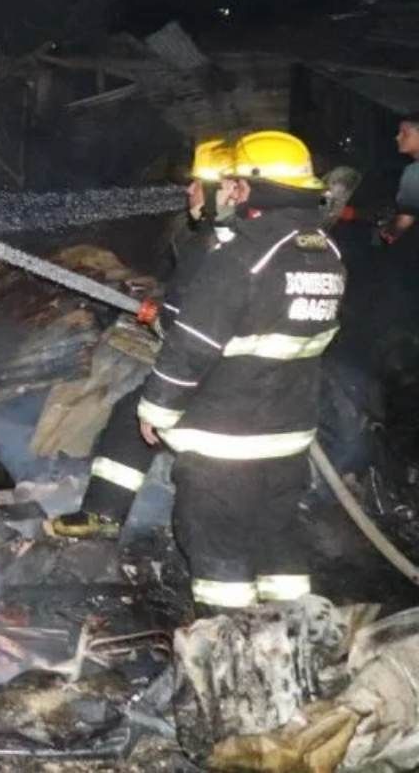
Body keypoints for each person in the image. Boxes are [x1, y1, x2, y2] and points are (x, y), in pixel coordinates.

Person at [137, 130, 344, 610]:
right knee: (277, 539)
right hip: (288, 433)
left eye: (233, 182)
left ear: (251, 187)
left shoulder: (242, 259)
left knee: (217, 547)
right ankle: (294, 644)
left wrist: (156, 407)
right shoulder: (325, 253)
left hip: (225, 436)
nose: (225, 190)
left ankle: (229, 652)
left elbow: (193, 345)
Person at [48, 137, 236, 540]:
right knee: (132, 414)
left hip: (222, 384)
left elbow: (189, 329)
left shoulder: (214, 247)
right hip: (263, 387)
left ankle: (104, 516)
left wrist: (159, 319)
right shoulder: (262, 242)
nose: (189, 191)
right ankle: (104, 513)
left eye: (199, 184)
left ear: (228, 189)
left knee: (139, 415)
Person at [384, 113, 419, 243]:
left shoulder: (414, 172)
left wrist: (390, 232)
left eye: (405, 133)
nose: (397, 137)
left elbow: (405, 220)